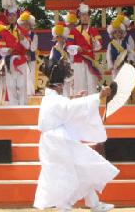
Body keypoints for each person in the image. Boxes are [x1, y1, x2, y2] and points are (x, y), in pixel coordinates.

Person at [33, 73, 118, 212]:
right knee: (69, 171)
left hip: (55, 141)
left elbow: (66, 105)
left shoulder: (50, 99)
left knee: (81, 168)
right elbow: (70, 107)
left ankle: (93, 204)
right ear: (59, 86)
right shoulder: (55, 101)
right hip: (58, 142)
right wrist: (99, 96)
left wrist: (75, 98)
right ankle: (65, 206)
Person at [70, 3, 103, 95]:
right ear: (79, 17)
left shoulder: (94, 31)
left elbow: (99, 46)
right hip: (79, 61)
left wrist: (94, 42)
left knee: (92, 85)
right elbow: (68, 46)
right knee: (80, 85)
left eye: (87, 15)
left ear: (89, 16)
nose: (85, 17)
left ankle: (92, 107)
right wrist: (76, 48)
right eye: (82, 15)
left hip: (90, 61)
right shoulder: (74, 31)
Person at [49, 21, 74, 98]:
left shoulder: (68, 47)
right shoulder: (54, 48)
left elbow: (72, 58)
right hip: (59, 72)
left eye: (61, 36)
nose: (59, 38)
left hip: (69, 71)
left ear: (64, 36)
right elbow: (51, 60)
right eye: (57, 36)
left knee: (71, 91)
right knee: (60, 92)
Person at [18, 11, 38, 96]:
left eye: (27, 24)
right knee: (21, 77)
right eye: (23, 24)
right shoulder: (18, 35)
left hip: (31, 59)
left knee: (30, 76)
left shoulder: (34, 35)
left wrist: (25, 41)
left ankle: (31, 94)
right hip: (20, 59)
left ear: (30, 25)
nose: (25, 26)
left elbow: (33, 48)